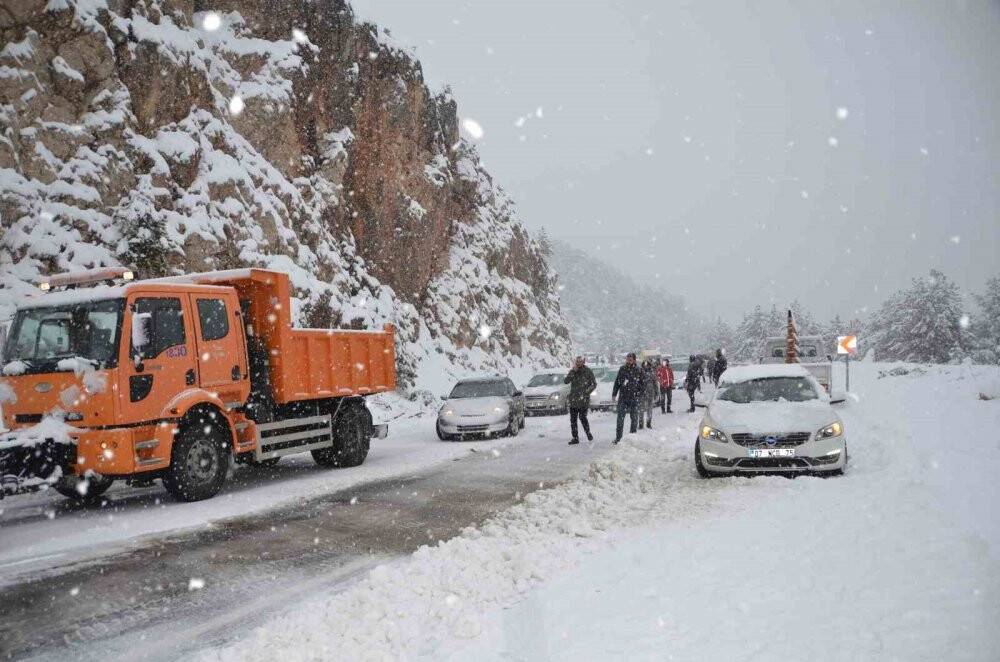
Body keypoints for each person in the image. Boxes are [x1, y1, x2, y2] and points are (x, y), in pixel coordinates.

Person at [564, 355, 597, 445]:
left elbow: (594, 384)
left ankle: (588, 433)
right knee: (573, 420)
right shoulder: (573, 371)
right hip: (573, 400)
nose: (578, 363)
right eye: (577, 361)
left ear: (583, 362)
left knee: (583, 418)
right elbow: (566, 381)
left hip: (583, 400)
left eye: (580, 361)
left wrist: (587, 392)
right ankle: (575, 438)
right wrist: (573, 372)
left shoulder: (588, 371)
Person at [611, 352, 642, 444]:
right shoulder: (622, 369)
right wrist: (614, 394)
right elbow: (617, 382)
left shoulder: (638, 370)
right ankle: (618, 438)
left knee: (634, 418)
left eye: (630, 359)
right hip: (623, 398)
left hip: (634, 398)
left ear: (634, 360)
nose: (628, 360)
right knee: (620, 418)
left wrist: (639, 394)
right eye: (627, 358)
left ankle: (632, 437)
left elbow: (643, 384)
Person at [638, 360, 658, 429]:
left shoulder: (652, 373)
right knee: (641, 409)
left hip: (650, 393)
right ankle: (641, 424)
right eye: (645, 365)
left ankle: (648, 423)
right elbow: (637, 383)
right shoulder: (640, 372)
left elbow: (655, 383)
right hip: (642, 393)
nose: (646, 366)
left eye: (647, 365)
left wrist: (656, 393)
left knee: (649, 409)